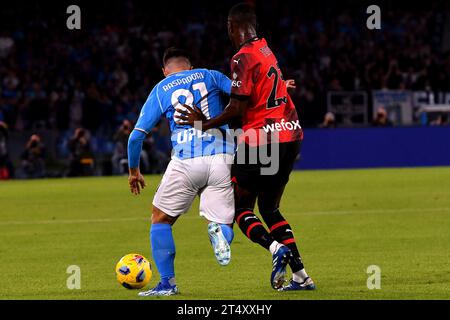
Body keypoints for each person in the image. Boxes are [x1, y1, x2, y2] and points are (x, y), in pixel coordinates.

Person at [176, 3, 315, 291]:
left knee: (241, 208)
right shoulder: (265, 48)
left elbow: (237, 108)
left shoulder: (241, 57)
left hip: (262, 140)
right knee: (270, 208)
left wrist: (204, 123)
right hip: (291, 134)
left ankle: (276, 249)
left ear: (231, 27)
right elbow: (261, 91)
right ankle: (301, 276)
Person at [127, 48, 236, 296]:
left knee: (161, 219)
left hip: (186, 160)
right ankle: (220, 233)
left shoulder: (161, 88)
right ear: (189, 65)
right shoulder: (210, 75)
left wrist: (134, 171)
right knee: (221, 221)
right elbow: (242, 94)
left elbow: (136, 137)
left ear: (165, 71)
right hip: (223, 156)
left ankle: (168, 283)